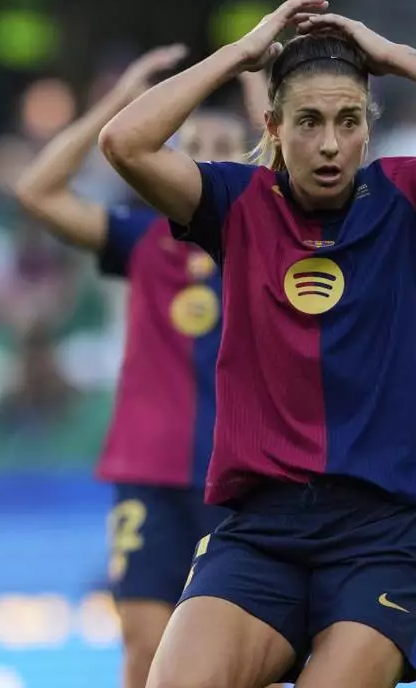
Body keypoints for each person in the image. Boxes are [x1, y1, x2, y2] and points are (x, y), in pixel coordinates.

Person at [97, 0, 416, 688]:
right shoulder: (233, 204)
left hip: (388, 533)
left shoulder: (413, 198)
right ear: (272, 126)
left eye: (348, 121)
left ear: (368, 129)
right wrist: (241, 54)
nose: (330, 143)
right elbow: (125, 143)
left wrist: (391, 56)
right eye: (308, 122)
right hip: (262, 530)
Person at [13, 45, 255, 688]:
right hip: (148, 469)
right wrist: (119, 101)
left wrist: (261, 80)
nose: (204, 155)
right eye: (191, 142)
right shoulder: (142, 239)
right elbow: (37, 191)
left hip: (238, 475)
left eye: (222, 143)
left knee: (239, 652)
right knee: (145, 644)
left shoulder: (268, 244)